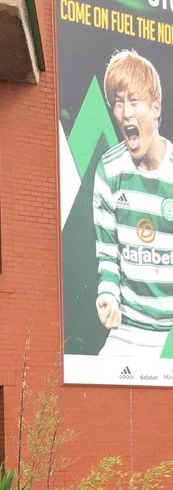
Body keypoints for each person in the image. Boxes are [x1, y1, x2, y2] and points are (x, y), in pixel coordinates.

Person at [94, 49, 173, 356]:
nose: (125, 112)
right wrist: (108, 297)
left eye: (134, 101)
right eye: (117, 101)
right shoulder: (108, 170)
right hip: (129, 329)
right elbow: (108, 255)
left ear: (156, 108)